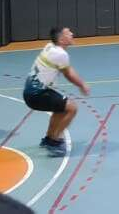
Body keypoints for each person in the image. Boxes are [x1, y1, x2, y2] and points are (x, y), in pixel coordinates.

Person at [23, 26, 90, 156]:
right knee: (72, 108)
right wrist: (82, 85)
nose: (72, 34)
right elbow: (68, 74)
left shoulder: (50, 47)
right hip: (37, 94)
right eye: (68, 33)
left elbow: (67, 68)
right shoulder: (60, 54)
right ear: (61, 40)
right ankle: (54, 140)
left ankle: (49, 138)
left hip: (34, 92)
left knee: (60, 108)